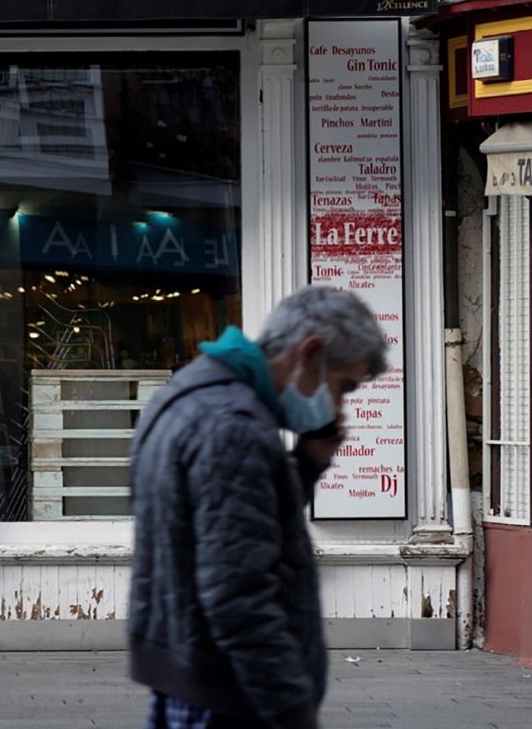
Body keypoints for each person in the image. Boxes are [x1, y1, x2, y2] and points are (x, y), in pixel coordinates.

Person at [127, 286, 390, 729]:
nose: (340, 405)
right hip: (230, 690)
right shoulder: (234, 429)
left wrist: (305, 462)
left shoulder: (190, 394)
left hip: (190, 670)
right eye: (342, 386)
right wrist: (291, 712)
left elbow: (237, 525)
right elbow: (239, 596)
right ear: (310, 353)